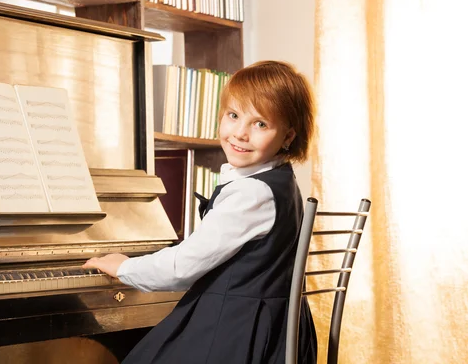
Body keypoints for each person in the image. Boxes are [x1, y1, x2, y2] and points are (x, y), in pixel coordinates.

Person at [83, 60, 318, 364]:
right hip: (274, 331)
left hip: (241, 336)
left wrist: (124, 267)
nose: (240, 134)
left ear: (288, 136)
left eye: (260, 124)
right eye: (233, 116)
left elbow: (181, 268)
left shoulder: (252, 193)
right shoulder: (280, 182)